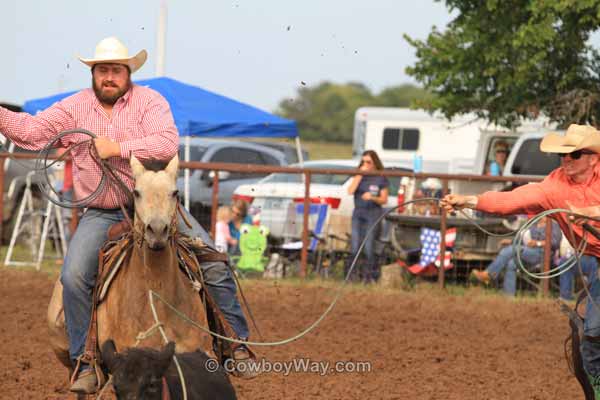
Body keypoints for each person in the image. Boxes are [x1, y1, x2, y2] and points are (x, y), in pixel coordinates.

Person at [0, 37, 255, 393]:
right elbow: (29, 132)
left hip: (156, 204)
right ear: (93, 73)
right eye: (103, 70)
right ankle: (85, 359)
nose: (109, 77)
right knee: (74, 276)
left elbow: (167, 143)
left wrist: (117, 147)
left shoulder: (151, 102)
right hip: (101, 210)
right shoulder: (73, 108)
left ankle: (233, 343)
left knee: (213, 258)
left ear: (128, 72)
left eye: (116, 70)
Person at [439, 124, 600, 397]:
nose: (566, 160)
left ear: (593, 158)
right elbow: (512, 199)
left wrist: (588, 211)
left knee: (592, 328)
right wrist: (469, 200)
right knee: (590, 333)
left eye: (574, 154)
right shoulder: (554, 185)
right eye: (563, 155)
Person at [471, 217, 562, 296]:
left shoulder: (554, 226)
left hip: (542, 254)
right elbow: (523, 239)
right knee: (512, 264)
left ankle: (489, 274)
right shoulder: (533, 225)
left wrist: (537, 243)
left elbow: (555, 243)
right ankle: (508, 296)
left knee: (510, 250)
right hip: (528, 252)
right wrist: (511, 241)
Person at [346, 150, 389, 283]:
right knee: (354, 246)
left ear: (375, 163)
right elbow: (350, 191)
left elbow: (384, 199)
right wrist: (359, 175)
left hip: (373, 214)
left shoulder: (380, 178)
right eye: (363, 162)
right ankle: (352, 276)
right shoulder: (359, 176)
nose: (365, 164)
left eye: (368, 162)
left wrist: (372, 197)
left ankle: (369, 276)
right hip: (358, 213)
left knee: (369, 246)